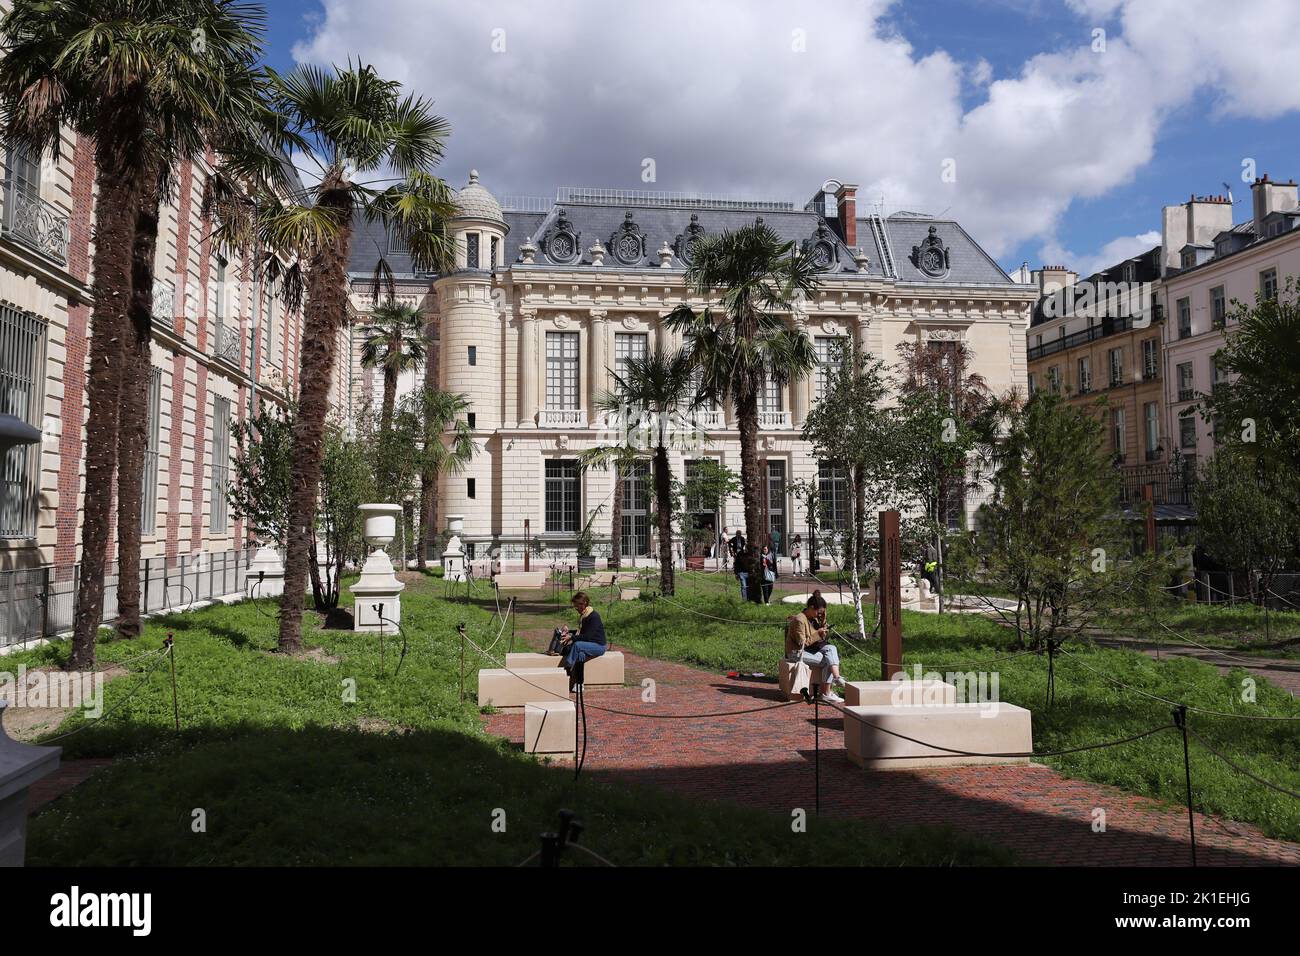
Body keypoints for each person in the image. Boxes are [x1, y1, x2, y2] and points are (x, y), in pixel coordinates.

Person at [784, 591, 845, 702]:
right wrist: (818, 634)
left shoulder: (814, 618)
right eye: (818, 612)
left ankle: (837, 678)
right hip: (796, 652)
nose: (819, 615)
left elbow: (821, 638)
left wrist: (823, 621)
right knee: (828, 661)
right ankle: (826, 693)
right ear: (811, 608)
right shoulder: (800, 620)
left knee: (832, 648)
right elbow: (801, 643)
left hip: (811, 649)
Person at [556, 591, 606, 689]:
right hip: (589, 645)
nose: (576, 609)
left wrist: (571, 637)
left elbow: (587, 636)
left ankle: (567, 668)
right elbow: (582, 633)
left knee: (577, 645)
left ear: (584, 604)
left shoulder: (593, 617)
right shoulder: (585, 615)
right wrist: (569, 632)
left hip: (599, 646)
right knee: (580, 655)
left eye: (577, 606)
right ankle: (579, 683)